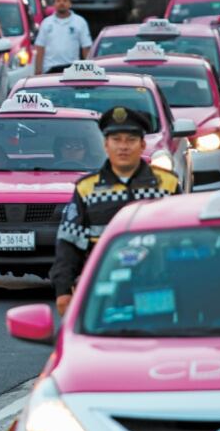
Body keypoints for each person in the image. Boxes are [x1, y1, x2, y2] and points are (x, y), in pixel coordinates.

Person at [50, 107, 180, 316]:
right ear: (105, 145)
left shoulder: (167, 184)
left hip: (156, 286)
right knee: (102, 347)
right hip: (103, 291)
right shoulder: (86, 189)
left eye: (130, 140)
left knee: (155, 344)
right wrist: (63, 291)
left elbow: (181, 240)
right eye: (116, 140)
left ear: (143, 145)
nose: (123, 147)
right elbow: (69, 245)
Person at [33, 0, 93, 74]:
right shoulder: (46, 23)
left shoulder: (80, 22)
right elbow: (40, 48)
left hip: (72, 68)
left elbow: (86, 48)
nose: (61, 3)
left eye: (65, 1)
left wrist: (88, 71)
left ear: (70, 4)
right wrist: (38, 70)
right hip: (49, 68)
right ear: (54, 4)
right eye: (58, 1)